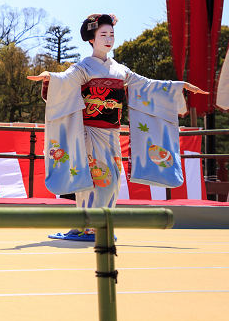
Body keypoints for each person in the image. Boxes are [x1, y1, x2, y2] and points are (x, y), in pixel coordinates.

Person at [28, 14, 206, 241]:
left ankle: (91, 226)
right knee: (92, 178)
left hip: (111, 133)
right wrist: (49, 77)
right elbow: (64, 79)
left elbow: (149, 85)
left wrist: (178, 86)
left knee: (112, 178)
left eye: (111, 34)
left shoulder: (121, 70)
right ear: (91, 39)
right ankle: (90, 227)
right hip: (89, 131)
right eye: (103, 34)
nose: (109, 39)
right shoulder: (82, 68)